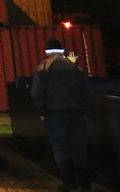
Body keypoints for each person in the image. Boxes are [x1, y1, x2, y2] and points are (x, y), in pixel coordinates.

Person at [31, 37, 93, 191]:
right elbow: (87, 91)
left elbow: (37, 93)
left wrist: (41, 111)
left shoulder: (43, 68)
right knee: (79, 149)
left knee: (60, 149)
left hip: (54, 115)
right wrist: (86, 111)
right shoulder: (75, 68)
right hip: (77, 114)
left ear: (47, 52)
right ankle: (85, 184)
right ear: (62, 52)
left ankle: (68, 183)